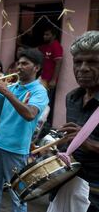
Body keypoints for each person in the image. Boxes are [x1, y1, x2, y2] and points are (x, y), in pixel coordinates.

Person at [0, 48, 49, 212]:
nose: (19, 67)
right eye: (19, 63)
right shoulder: (13, 86)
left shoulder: (39, 91)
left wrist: (5, 91)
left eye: (25, 63)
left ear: (36, 67)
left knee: (18, 195)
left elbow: (29, 114)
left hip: (17, 150)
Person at [47, 31, 99, 212]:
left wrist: (90, 144)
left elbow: (85, 142)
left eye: (92, 62)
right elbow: (74, 141)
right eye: (78, 62)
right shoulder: (72, 98)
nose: (83, 68)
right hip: (67, 186)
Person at [38, 27, 63, 131]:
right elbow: (35, 50)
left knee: (46, 104)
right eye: (44, 34)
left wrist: (53, 80)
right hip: (42, 79)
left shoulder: (56, 46)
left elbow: (58, 63)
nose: (45, 36)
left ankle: (43, 127)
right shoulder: (46, 47)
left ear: (53, 35)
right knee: (40, 101)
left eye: (47, 35)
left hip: (49, 81)